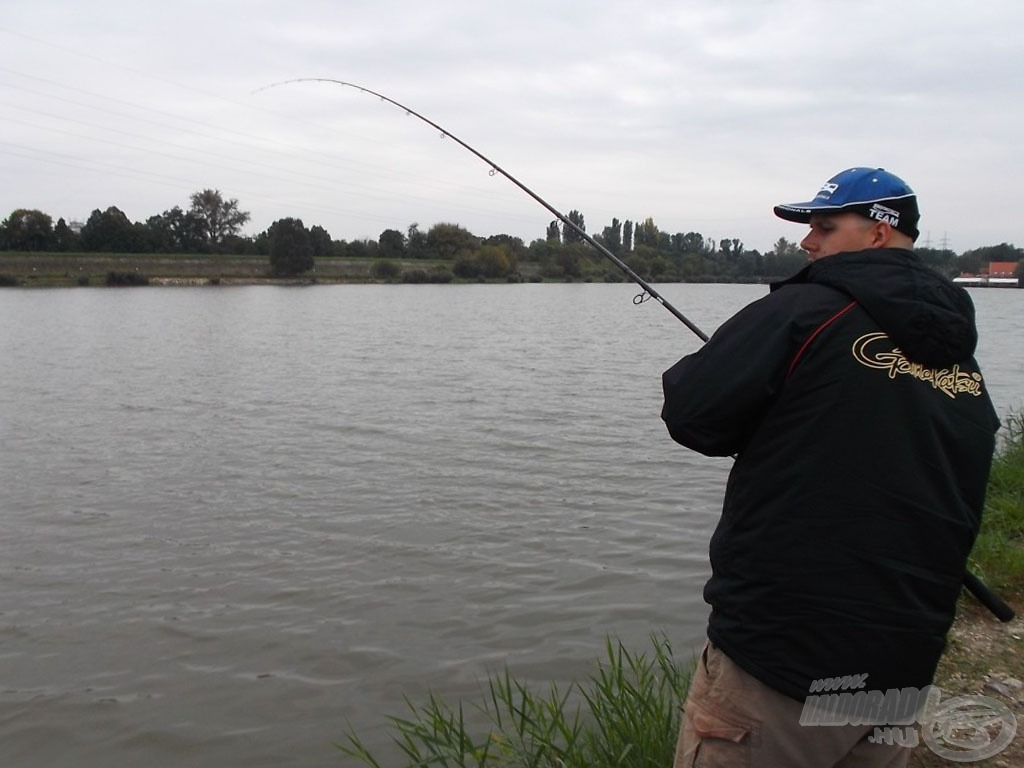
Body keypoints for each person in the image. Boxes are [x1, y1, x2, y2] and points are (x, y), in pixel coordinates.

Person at [661, 167, 1000, 767]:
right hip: (901, 664)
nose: (807, 242)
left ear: (876, 234)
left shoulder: (807, 308)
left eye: (823, 226)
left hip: (783, 654)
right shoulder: (960, 357)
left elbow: (693, 411)